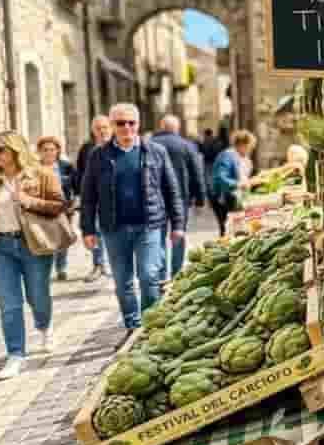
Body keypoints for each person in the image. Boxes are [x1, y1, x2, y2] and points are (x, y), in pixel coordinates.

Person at [80, 104, 185, 333]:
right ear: (112, 126)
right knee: (123, 283)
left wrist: (178, 224)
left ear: (138, 124)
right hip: (113, 228)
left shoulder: (156, 151)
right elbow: (88, 197)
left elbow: (171, 190)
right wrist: (87, 230)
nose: (126, 127)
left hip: (149, 225)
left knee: (149, 276)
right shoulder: (98, 156)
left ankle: (150, 325)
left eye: (131, 122)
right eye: (120, 123)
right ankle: (133, 324)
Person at [0, 132, 66, 379]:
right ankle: (15, 355)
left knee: (37, 296)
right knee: (10, 305)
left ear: (15, 150)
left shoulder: (41, 174)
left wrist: (27, 200)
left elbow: (59, 205)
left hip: (33, 244)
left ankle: (44, 327)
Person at [152, 115, 206, 279]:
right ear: (177, 128)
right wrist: (200, 198)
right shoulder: (187, 146)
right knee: (178, 233)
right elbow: (197, 172)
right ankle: (176, 274)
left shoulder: (150, 145)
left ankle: (161, 275)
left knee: (158, 237)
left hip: (155, 198)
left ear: (161, 125)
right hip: (180, 197)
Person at [36, 136, 77, 281]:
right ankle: (45, 269)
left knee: (62, 239)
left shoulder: (66, 166)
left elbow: (76, 186)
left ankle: (61, 268)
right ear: (40, 151)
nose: (49, 152)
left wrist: (75, 203)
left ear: (58, 151)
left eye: (52, 149)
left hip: (63, 207)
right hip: (42, 208)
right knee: (45, 239)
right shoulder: (34, 168)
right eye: (45, 150)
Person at [76, 115, 111, 281]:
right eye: (98, 128)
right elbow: (80, 173)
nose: (102, 131)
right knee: (95, 230)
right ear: (93, 130)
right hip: (93, 199)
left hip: (113, 199)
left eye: (104, 127)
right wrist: (79, 195)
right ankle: (98, 264)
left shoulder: (117, 146)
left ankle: (115, 263)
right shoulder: (86, 149)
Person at [209, 130, 256, 237]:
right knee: (227, 228)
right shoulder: (227, 156)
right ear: (242, 145)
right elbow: (220, 177)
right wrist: (238, 184)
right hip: (224, 198)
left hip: (236, 197)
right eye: (250, 146)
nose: (251, 149)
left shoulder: (244, 158)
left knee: (235, 227)